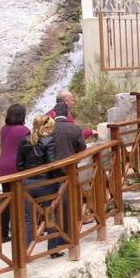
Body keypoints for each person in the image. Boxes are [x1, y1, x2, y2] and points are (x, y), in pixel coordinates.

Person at [47, 102, 85, 255]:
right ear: (68, 113)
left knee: (52, 205)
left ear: (54, 114)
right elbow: (82, 148)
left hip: (51, 173)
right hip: (70, 171)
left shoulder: (49, 129)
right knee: (69, 204)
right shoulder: (74, 128)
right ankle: (68, 236)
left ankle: (54, 239)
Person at [16, 115, 56, 252]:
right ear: (48, 127)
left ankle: (26, 251)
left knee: (28, 219)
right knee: (50, 214)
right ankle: (53, 249)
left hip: (27, 183)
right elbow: (51, 164)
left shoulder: (24, 140)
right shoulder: (49, 140)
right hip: (45, 184)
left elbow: (19, 165)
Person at [0, 104, 30, 243]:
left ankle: (3, 234)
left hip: (3, 167)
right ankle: (23, 230)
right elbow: (29, 149)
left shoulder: (4, 129)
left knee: (7, 200)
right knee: (23, 199)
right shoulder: (24, 130)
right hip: (16, 167)